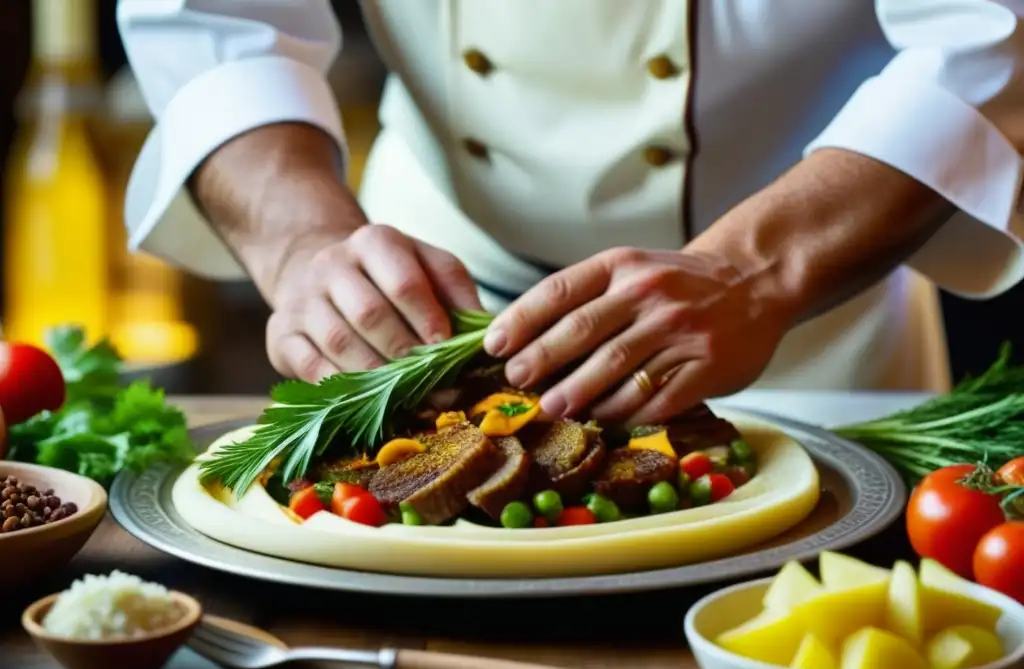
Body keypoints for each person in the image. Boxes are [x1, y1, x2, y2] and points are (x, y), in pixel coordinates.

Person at [116, 0, 1024, 425]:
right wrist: (302, 245)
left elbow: (994, 33)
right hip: (419, 294)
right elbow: (215, 16)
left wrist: (757, 270)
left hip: (813, 303)